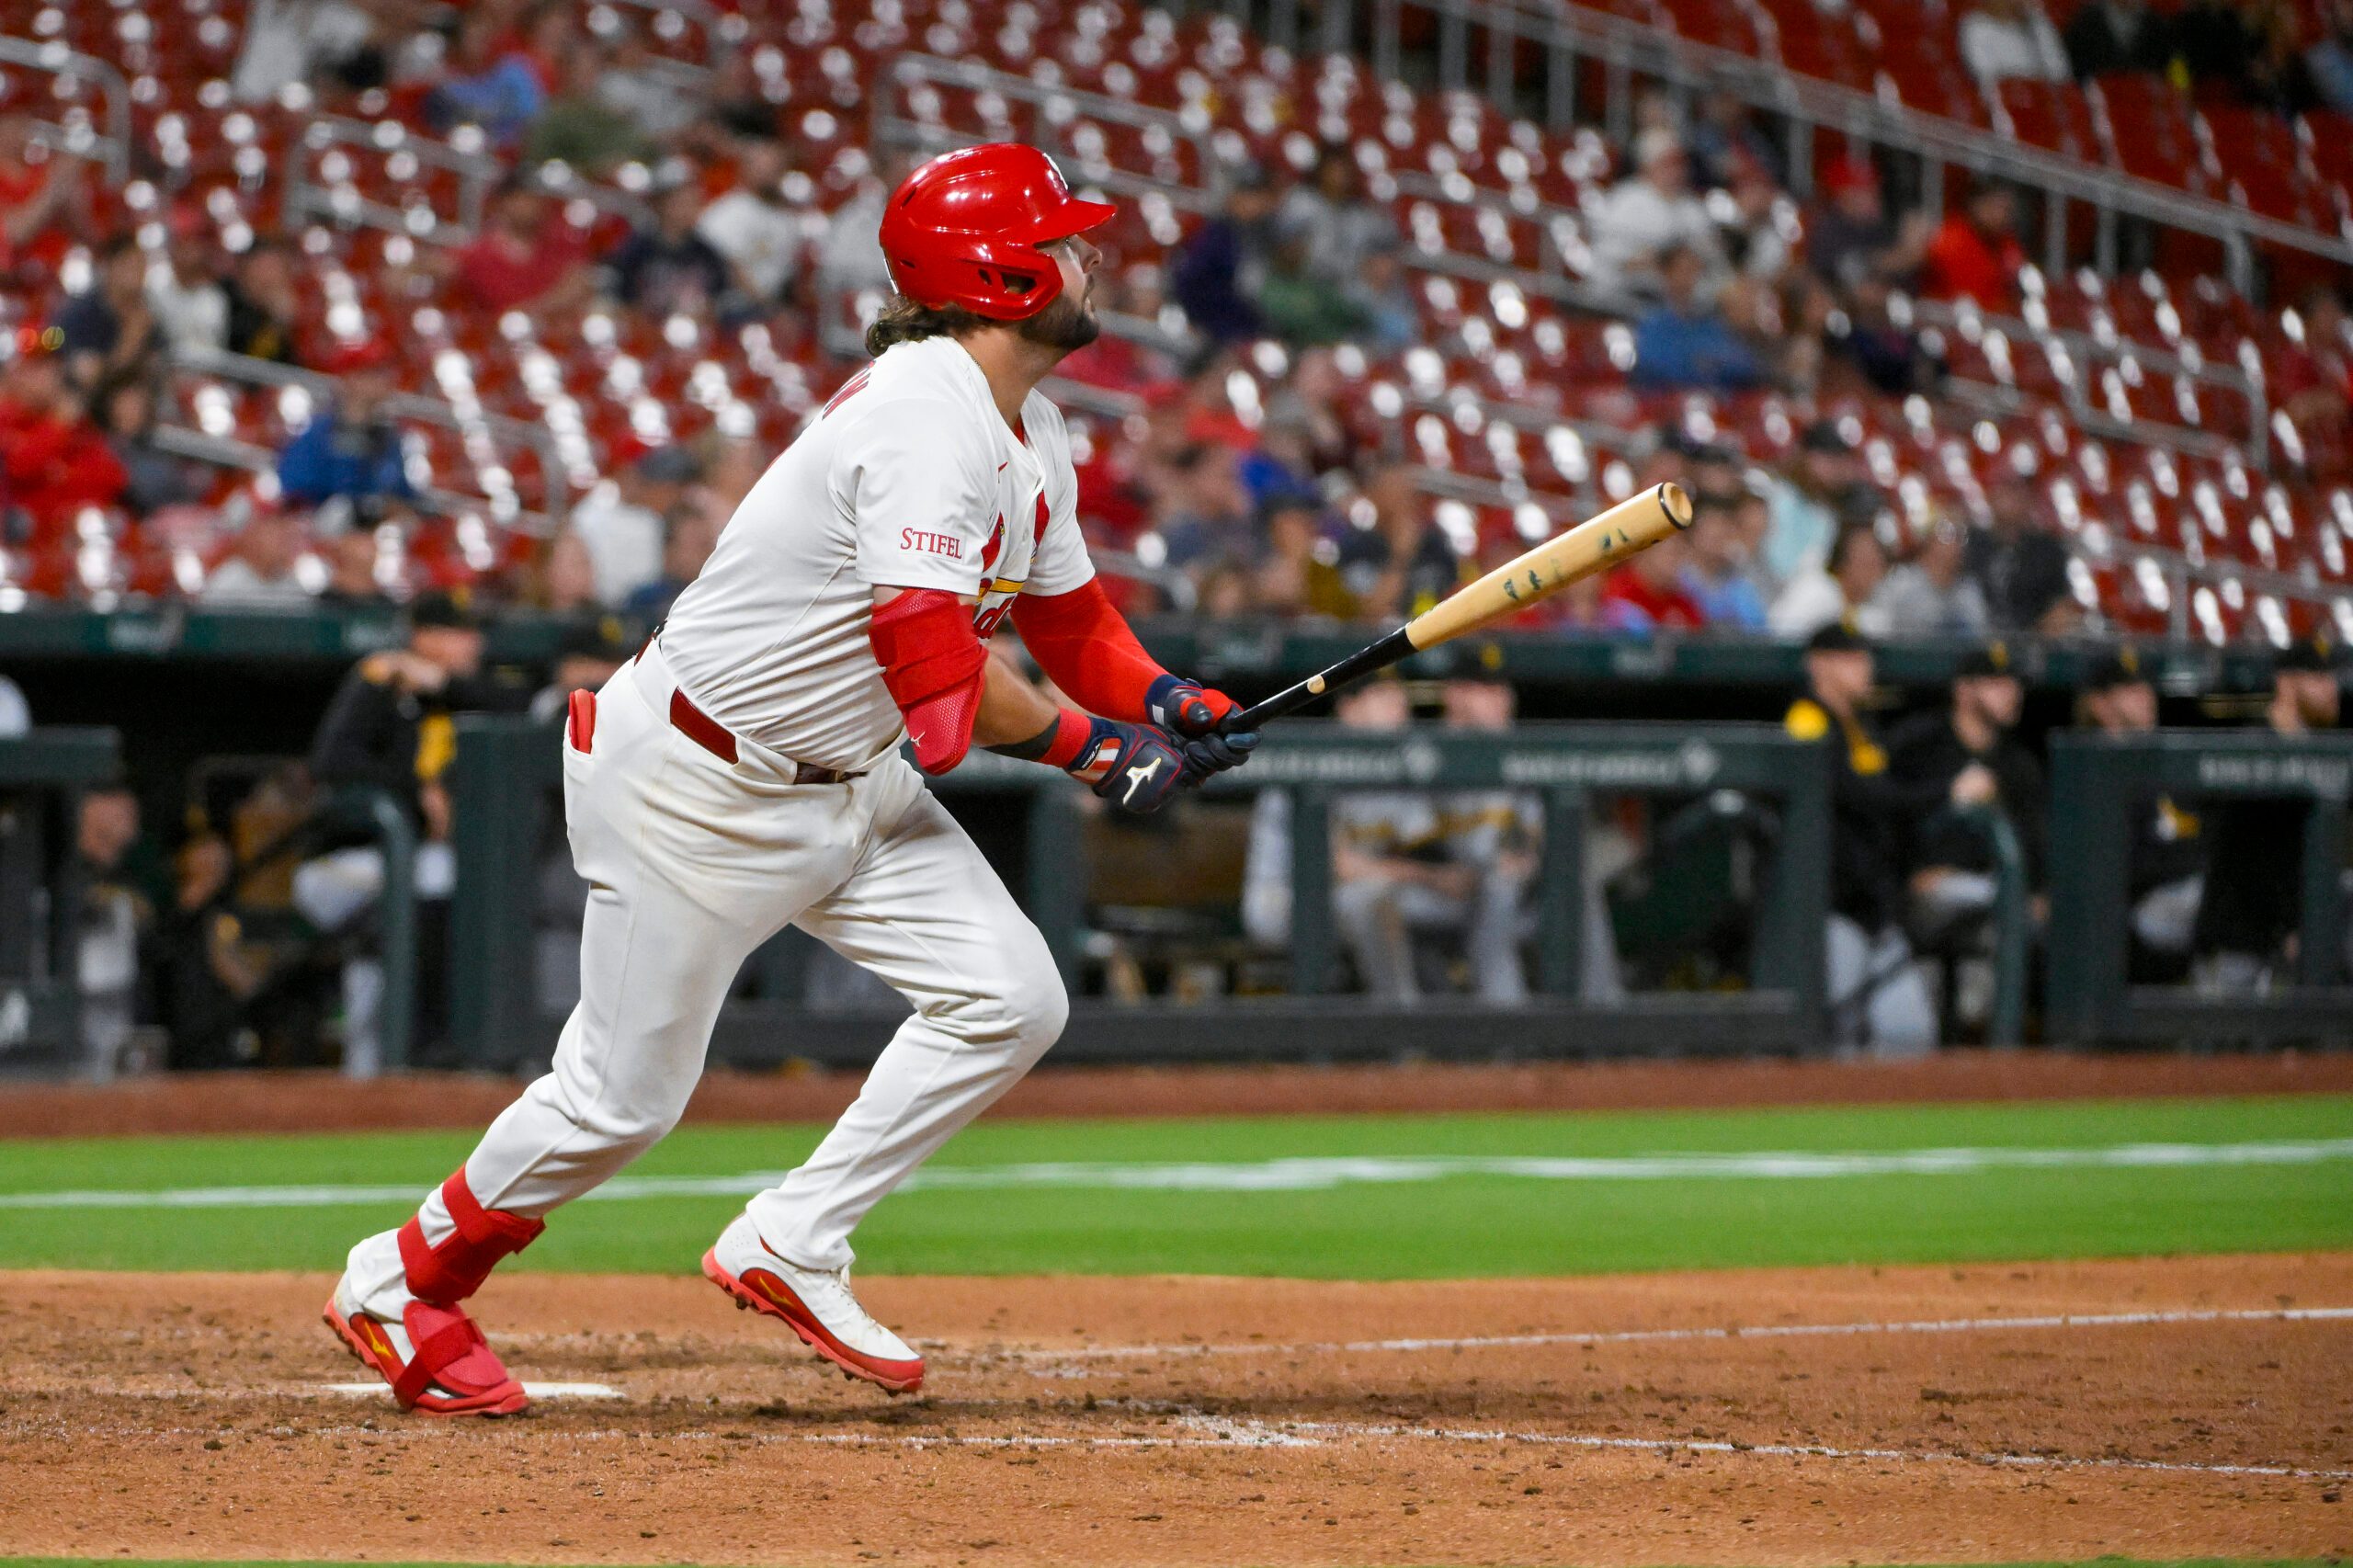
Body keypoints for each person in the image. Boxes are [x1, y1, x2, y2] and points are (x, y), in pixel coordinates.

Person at [322, 144, 1260, 1417]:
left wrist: (1161, 697)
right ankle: (401, 1282)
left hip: (846, 777)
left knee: (1011, 998)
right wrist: (1093, 753)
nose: (1088, 255)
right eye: (1064, 237)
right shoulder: (921, 413)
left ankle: (797, 1235)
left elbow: (1072, 617)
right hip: (700, 784)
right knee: (618, 1102)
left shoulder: (1027, 422)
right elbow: (934, 674)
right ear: (997, 271)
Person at [292, 591, 493, 1076]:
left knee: (426, 895)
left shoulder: (468, 691)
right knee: (437, 880)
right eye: (459, 633)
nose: (474, 645)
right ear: (422, 637)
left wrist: (444, 683)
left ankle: (381, 1073)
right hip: (346, 864)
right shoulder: (380, 683)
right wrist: (416, 789)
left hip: (412, 865)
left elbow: (525, 702)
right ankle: (424, 1044)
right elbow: (331, 761)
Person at [1783, 621, 1938, 1053]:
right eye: (1850, 658)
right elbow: (1860, 797)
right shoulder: (1807, 719)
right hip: (1830, 911)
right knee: (1837, 1041)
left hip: (1877, 912)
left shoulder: (1860, 726)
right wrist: (1942, 792)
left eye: (1864, 657)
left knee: (1910, 1036)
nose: (1865, 668)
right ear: (1819, 665)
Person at [1887, 642, 2046, 985]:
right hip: (1922, 899)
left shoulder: (2019, 763)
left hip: (1994, 896)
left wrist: (2040, 893)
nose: (2012, 693)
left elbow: (2036, 843)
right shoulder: (1917, 745)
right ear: (1963, 690)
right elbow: (1889, 814)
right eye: (1996, 683)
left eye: (2014, 683)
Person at [2192, 633, 2344, 992]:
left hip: (2294, 938)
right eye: (2319, 678)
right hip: (2238, 943)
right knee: (2223, 1040)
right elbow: (2245, 862)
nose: (2332, 690)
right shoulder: (2254, 749)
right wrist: (2289, 927)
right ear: (2286, 683)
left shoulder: (2322, 753)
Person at [2075, 645, 2204, 970]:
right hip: (2134, 909)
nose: (2146, 697)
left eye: (2147, 686)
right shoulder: (2085, 771)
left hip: (2183, 893)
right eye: (2130, 689)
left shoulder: (2166, 767)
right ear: (2100, 703)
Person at [1584, 129, 1729, 306]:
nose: (1677, 171)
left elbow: (1714, 260)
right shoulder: (1625, 199)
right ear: (1648, 165)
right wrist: (1657, 262)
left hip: (1686, 304)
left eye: (1680, 163)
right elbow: (1606, 259)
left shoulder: (1693, 208)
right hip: (1627, 297)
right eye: (1669, 163)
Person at [276, 339, 415, 508]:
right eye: (373, 372)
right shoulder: (319, 432)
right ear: (350, 379)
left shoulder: (388, 436)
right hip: (320, 527)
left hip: (371, 529)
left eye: (385, 371)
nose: (385, 380)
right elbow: (295, 490)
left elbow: (402, 493)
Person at [1631, 244, 1767, 392]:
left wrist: (1711, 363)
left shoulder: (1710, 324)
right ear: (1666, 273)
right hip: (1665, 403)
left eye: (1693, 270)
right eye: (1681, 270)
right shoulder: (1651, 322)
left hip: (1714, 403)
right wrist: (1698, 363)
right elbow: (1654, 365)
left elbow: (1743, 365)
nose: (1688, 277)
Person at [1169, 165, 1277, 344]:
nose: (1253, 204)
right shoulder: (1215, 234)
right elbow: (1188, 281)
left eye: (1257, 197)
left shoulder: (1258, 234)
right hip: (1210, 325)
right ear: (1234, 196)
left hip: (1239, 324)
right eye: (1248, 195)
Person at [452, 180, 595, 316]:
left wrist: (532, 311)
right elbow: (446, 267)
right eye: (525, 199)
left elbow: (578, 284)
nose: (534, 206)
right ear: (504, 202)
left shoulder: (561, 244)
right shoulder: (477, 253)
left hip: (552, 334)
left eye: (537, 199)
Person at [695, 137, 803, 311]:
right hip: (735, 308)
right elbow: (727, 267)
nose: (770, 174)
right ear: (745, 169)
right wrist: (769, 308)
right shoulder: (727, 212)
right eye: (763, 167)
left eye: (776, 167)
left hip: (778, 303)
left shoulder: (788, 217)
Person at [605, 177, 734, 319]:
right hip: (646, 327)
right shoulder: (638, 248)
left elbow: (720, 295)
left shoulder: (705, 252)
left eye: (693, 204)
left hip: (692, 327)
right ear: (662, 205)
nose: (688, 210)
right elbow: (618, 291)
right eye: (681, 203)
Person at [1966, 472, 2075, 633]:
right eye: (2004, 491)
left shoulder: (2047, 550)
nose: (2010, 501)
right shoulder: (1973, 543)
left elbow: (2061, 603)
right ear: (1990, 498)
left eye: (2017, 493)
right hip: (1976, 637)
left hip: (2031, 639)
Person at [53, 235, 161, 396]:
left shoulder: (145, 310)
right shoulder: (83, 312)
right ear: (109, 267)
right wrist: (130, 341)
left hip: (132, 400)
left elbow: (157, 362)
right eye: (129, 265)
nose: (137, 274)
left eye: (141, 266)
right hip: (82, 399)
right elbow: (85, 376)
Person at [1871, 517, 1991, 636]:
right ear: (1928, 541)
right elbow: (1878, 629)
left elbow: (1982, 638)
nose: (1954, 545)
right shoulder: (1900, 583)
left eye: (1959, 537)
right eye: (1947, 535)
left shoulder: (1969, 591)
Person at [1771, 522, 1891, 638]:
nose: (1872, 574)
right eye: (1865, 564)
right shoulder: (1817, 592)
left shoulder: (1873, 610)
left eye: (1877, 565)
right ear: (1842, 562)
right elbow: (1780, 640)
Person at [1921, 182, 2027, 312]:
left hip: (1992, 323)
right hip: (1945, 318)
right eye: (1995, 206)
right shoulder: (1950, 237)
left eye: (2007, 210)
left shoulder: (2008, 246)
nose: (2001, 215)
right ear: (1976, 204)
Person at [620, 506, 720, 623]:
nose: (706, 552)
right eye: (697, 544)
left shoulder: (719, 596)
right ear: (669, 548)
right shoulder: (645, 601)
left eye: (708, 543)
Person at [201, 505, 314, 608]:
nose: (283, 538)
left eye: (284, 529)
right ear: (252, 535)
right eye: (272, 531)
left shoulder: (292, 583)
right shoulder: (228, 582)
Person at [1599, 526, 1707, 633]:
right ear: (1646, 551)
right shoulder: (1617, 590)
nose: (1677, 561)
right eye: (1672, 552)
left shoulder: (1682, 598)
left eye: (1682, 552)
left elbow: (1701, 635)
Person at [1960, 0, 2072, 84]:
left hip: (2045, 101)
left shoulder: (2038, 23)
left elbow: (2060, 71)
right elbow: (1987, 78)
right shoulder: (1975, 27)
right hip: (2006, 102)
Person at [2064, 0, 2179, 77]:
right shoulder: (2085, 24)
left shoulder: (2156, 26)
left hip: (2144, 100)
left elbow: (2167, 70)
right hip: (2098, 99)